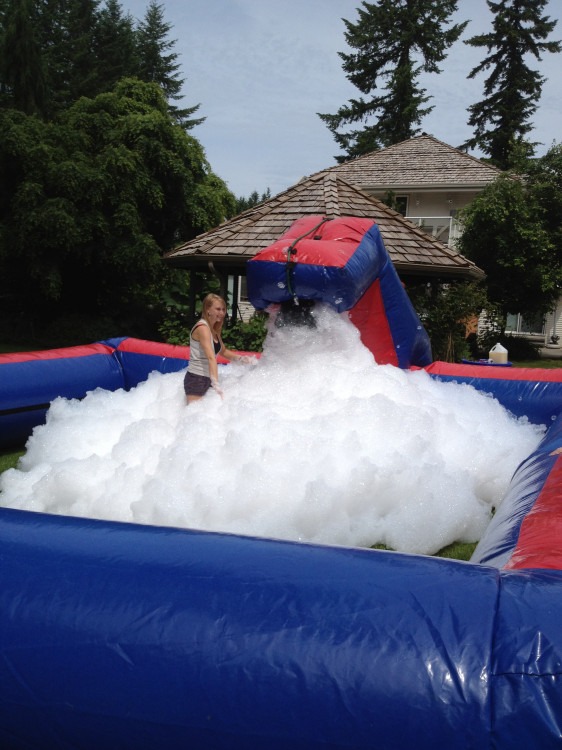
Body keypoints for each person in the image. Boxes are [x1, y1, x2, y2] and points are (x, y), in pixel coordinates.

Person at [184, 293, 249, 404]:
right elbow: (211, 357)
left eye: (223, 309)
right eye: (218, 309)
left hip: (207, 377)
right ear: (208, 310)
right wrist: (216, 383)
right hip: (196, 379)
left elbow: (223, 351)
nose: (222, 313)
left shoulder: (213, 328)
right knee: (195, 416)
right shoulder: (203, 328)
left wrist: (241, 359)